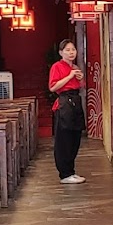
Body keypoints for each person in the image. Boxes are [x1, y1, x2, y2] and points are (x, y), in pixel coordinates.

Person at [49, 40, 86, 184]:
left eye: (73, 49)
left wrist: (80, 79)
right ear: (61, 52)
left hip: (75, 101)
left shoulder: (75, 67)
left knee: (75, 137)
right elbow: (53, 87)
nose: (71, 52)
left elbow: (80, 86)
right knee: (64, 139)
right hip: (64, 102)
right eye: (67, 50)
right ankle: (64, 173)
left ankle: (71, 171)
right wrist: (69, 76)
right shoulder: (57, 66)